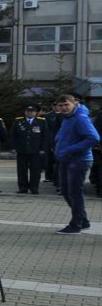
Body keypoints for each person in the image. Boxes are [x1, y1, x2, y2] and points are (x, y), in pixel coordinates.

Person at [51, 93, 97, 233]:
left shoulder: (80, 118)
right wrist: (58, 144)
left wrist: (70, 150)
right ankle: (82, 220)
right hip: (66, 159)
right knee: (66, 191)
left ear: (74, 104)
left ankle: (76, 224)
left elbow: (93, 138)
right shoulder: (67, 118)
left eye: (67, 105)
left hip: (78, 160)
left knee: (74, 193)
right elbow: (64, 134)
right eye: (61, 105)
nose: (64, 108)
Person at [12, 104, 51, 195]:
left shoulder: (41, 122)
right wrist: (13, 147)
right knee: (21, 170)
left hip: (36, 150)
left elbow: (45, 137)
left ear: (36, 112)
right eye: (27, 111)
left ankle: (34, 188)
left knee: (35, 171)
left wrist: (43, 149)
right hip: (22, 150)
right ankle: (23, 187)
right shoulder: (18, 121)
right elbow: (14, 136)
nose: (29, 113)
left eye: (32, 111)